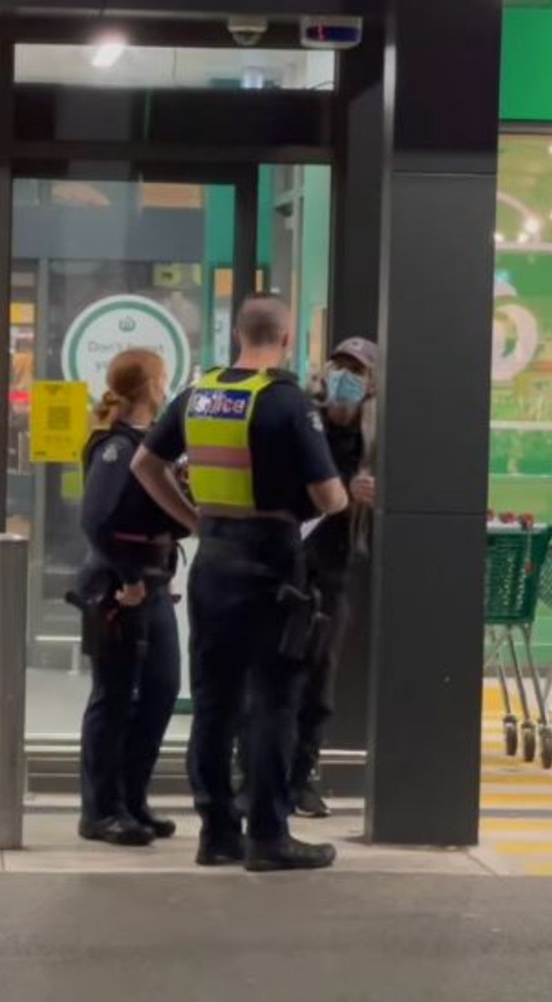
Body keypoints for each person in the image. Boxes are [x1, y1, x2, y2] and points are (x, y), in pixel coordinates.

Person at [132, 293, 349, 872]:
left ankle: (217, 833)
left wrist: (193, 519)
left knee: (214, 701)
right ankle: (269, 835)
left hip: (213, 562)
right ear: (285, 338)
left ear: (235, 335)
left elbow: (144, 466)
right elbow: (332, 497)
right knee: (275, 702)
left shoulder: (199, 394)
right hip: (274, 566)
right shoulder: (286, 402)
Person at [74, 348, 190, 847]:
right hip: (121, 589)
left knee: (161, 690)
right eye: (163, 379)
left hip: (156, 583)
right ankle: (101, 810)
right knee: (115, 696)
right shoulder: (116, 448)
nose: (167, 387)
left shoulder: (153, 444)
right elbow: (96, 521)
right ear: (150, 384)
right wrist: (128, 578)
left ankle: (133, 798)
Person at [291, 336, 377, 818]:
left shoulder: (374, 431)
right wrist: (345, 490)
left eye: (358, 371)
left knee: (320, 680)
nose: (346, 376)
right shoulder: (304, 417)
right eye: (341, 366)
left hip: (338, 564)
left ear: (371, 384)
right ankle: (260, 776)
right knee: (278, 674)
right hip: (292, 560)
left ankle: (301, 778)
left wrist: (373, 492)